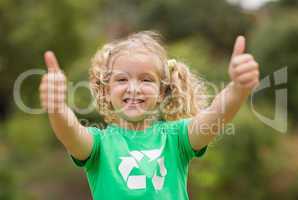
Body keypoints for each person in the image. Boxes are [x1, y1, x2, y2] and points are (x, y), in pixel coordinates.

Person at [39, 31, 260, 199]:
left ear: (162, 91)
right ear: (107, 90)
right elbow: (70, 133)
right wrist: (57, 108)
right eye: (122, 79)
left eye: (146, 79)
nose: (133, 88)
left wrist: (238, 89)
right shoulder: (98, 144)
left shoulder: (177, 138)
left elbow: (215, 114)